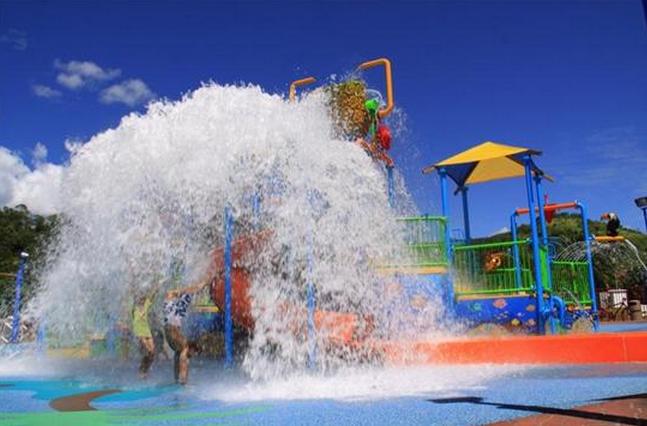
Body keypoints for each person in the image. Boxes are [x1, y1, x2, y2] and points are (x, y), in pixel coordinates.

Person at [163, 277, 212, 385]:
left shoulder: (173, 300)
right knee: (184, 348)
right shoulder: (175, 296)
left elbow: (195, 288)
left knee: (179, 351)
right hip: (172, 329)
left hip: (170, 329)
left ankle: (177, 380)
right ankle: (183, 381)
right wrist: (206, 280)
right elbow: (194, 288)